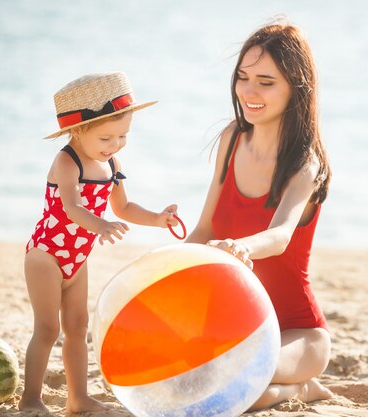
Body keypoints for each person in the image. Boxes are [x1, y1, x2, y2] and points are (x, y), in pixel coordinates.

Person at [185, 21, 333, 409]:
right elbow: (204, 228)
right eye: (243, 77)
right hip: (236, 327)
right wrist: (160, 270)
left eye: (266, 82)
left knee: (234, 384)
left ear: (295, 89)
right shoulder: (231, 138)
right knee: (212, 388)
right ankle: (293, 390)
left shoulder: (305, 163)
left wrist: (240, 247)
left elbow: (281, 234)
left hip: (297, 334)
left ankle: (301, 385)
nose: (249, 92)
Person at [19, 72, 179, 413]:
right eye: (106, 137)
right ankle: (30, 398)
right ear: (77, 131)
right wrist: (102, 225)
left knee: (78, 327)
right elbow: (72, 208)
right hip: (46, 256)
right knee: (47, 328)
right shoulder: (66, 161)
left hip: (77, 259)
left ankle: (77, 399)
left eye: (123, 136)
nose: (115, 145)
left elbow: (124, 206)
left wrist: (157, 218)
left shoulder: (112, 163)